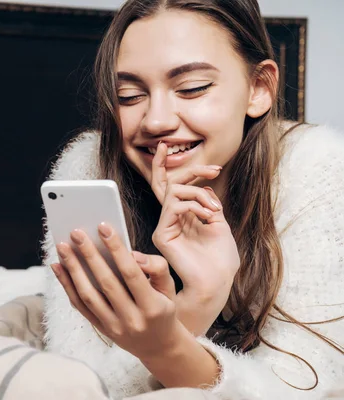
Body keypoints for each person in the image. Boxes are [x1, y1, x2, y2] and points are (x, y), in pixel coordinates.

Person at [40, 0, 344, 399]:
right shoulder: (89, 168)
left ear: (259, 88)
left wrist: (166, 343)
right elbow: (79, 387)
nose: (156, 121)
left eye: (192, 88)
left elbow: (303, 389)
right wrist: (197, 302)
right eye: (129, 95)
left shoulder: (318, 169)